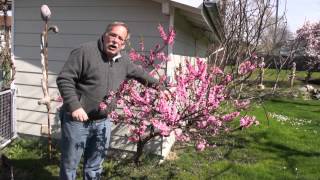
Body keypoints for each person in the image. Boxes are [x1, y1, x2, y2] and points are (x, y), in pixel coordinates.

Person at [56, 21, 159, 180]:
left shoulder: (123, 60)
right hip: (76, 120)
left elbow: (140, 74)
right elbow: (65, 79)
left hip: (102, 122)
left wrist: (160, 87)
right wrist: (75, 106)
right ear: (105, 35)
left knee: (95, 165)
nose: (115, 40)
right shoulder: (84, 51)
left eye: (120, 38)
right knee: (70, 164)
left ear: (123, 44)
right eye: (113, 35)